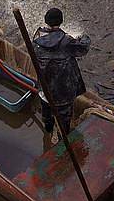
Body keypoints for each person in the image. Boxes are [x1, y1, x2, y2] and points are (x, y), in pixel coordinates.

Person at [33, 8, 90, 138]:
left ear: (46, 21)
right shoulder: (67, 41)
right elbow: (83, 48)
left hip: (44, 91)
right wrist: (82, 36)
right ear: (61, 21)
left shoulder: (36, 40)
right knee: (64, 122)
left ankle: (47, 131)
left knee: (47, 114)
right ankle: (61, 140)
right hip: (64, 93)